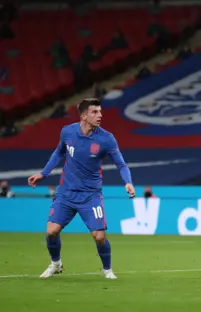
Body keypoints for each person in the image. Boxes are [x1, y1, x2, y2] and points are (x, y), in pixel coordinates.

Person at [28, 98, 136, 280]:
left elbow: (121, 165)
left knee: (99, 237)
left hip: (90, 196)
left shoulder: (106, 139)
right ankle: (56, 263)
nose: (100, 115)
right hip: (66, 193)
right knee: (51, 231)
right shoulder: (67, 132)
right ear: (84, 115)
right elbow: (59, 152)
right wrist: (43, 174)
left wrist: (128, 181)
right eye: (95, 112)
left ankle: (107, 270)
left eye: (100, 112)